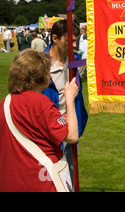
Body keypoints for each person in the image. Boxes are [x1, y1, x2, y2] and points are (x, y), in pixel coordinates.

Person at [0, 49, 79, 191]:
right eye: (47, 71)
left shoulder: (7, 101)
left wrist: (18, 155)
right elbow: (72, 135)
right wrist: (69, 99)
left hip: (11, 182)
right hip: (41, 183)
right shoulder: (40, 103)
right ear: (39, 76)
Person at [42, 19, 88, 186]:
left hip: (69, 125)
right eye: (71, 40)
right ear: (55, 38)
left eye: (76, 40)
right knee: (49, 179)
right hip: (48, 131)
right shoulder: (40, 65)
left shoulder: (73, 61)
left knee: (69, 178)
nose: (74, 45)